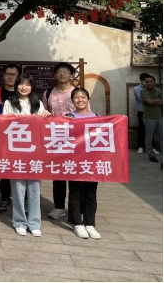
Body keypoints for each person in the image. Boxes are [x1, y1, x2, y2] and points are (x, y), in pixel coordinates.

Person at [2, 73, 51, 237]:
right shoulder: (9, 103)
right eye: (21, 84)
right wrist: (10, 119)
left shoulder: (38, 104)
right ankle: (19, 222)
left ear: (32, 87)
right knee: (18, 188)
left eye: (27, 84)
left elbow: (44, 126)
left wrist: (46, 116)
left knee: (34, 188)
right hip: (16, 151)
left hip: (34, 151)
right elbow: (2, 125)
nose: (24, 87)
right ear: (16, 86)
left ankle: (34, 223)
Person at [43, 62, 79, 220]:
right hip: (56, 138)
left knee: (74, 174)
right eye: (59, 72)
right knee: (58, 174)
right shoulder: (48, 93)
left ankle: (75, 208)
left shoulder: (77, 93)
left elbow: (86, 113)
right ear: (55, 75)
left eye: (65, 72)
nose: (62, 74)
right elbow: (43, 113)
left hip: (75, 139)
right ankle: (58, 207)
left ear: (71, 76)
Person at [66, 88, 102, 239]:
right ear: (72, 101)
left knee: (91, 192)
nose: (80, 100)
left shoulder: (97, 117)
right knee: (75, 191)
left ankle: (90, 223)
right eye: (76, 97)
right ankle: (77, 223)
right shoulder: (68, 117)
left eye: (83, 97)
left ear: (88, 99)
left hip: (92, 161)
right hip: (74, 161)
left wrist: (121, 119)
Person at [0, 64, 21, 214]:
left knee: (21, 167)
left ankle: (22, 198)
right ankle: (5, 197)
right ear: (3, 76)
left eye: (14, 74)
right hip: (3, 136)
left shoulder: (24, 92)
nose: (10, 77)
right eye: (8, 74)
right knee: (5, 167)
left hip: (22, 138)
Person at [140, 75, 163, 164]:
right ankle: (151, 155)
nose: (149, 83)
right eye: (147, 82)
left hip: (159, 117)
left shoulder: (158, 91)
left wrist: (154, 101)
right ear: (144, 83)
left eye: (151, 82)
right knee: (149, 137)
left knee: (161, 137)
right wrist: (159, 100)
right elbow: (149, 102)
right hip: (148, 118)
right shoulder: (143, 91)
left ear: (154, 83)